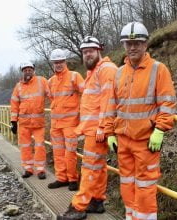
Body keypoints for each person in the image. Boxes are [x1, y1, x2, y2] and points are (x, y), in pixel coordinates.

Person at [106, 22, 177, 220]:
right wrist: (110, 132)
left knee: (145, 187)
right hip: (123, 141)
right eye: (128, 43)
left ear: (146, 44)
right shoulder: (119, 73)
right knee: (127, 183)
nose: (133, 47)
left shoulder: (158, 69)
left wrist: (160, 129)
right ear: (124, 46)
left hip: (146, 141)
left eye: (137, 42)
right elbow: (112, 106)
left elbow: (167, 103)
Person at [57, 36, 118, 220]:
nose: (87, 54)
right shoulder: (95, 71)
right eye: (84, 52)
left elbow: (109, 101)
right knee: (97, 167)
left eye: (91, 50)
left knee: (90, 167)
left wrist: (103, 127)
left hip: (98, 129)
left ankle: (78, 206)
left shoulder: (106, 69)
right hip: (94, 129)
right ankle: (97, 201)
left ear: (99, 50)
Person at [48, 48, 84, 191]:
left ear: (65, 61)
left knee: (70, 153)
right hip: (55, 124)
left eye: (61, 61)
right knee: (58, 152)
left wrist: (82, 113)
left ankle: (73, 179)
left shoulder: (74, 76)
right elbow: (53, 99)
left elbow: (86, 93)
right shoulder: (51, 81)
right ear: (53, 64)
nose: (58, 64)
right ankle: (61, 178)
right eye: (56, 62)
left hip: (70, 124)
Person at [10, 62, 50, 180]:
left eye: (30, 69)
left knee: (39, 146)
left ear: (34, 71)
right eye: (25, 70)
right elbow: (14, 104)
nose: (27, 71)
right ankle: (28, 169)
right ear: (22, 72)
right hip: (24, 123)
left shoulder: (41, 81)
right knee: (25, 147)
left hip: (38, 123)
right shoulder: (18, 87)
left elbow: (51, 94)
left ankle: (40, 170)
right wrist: (13, 121)